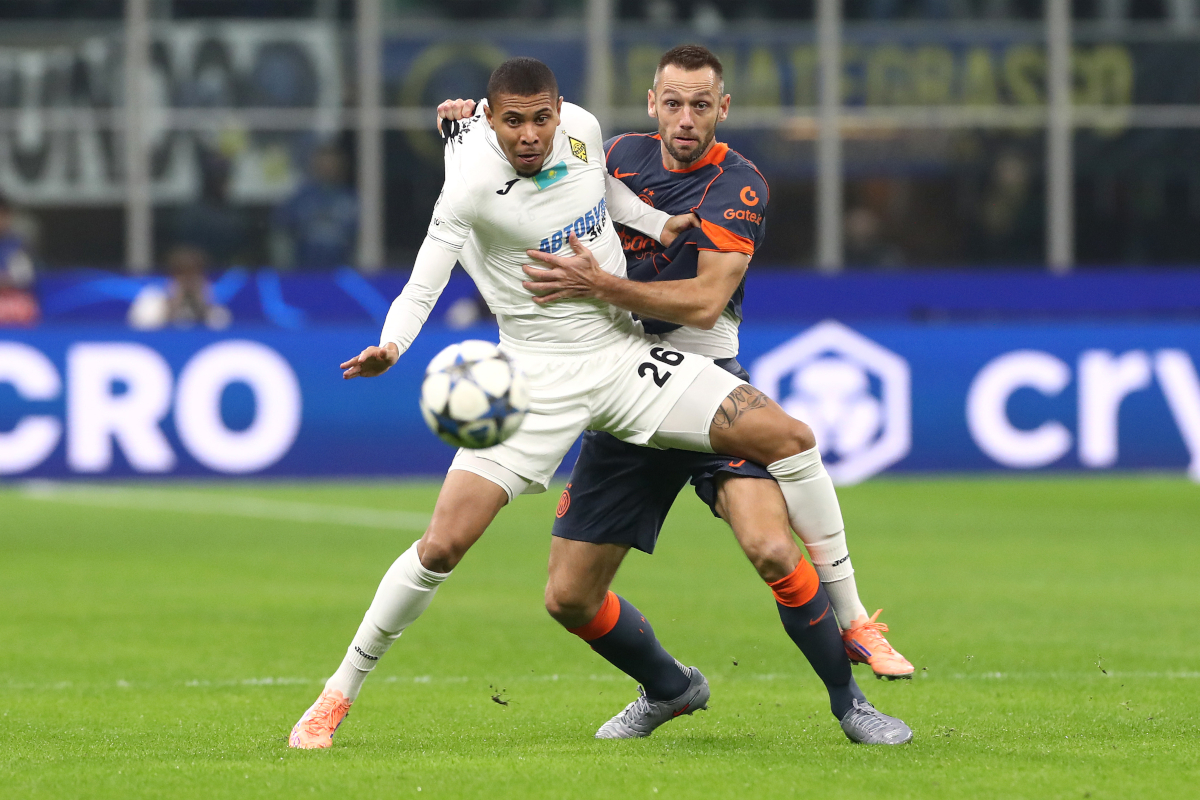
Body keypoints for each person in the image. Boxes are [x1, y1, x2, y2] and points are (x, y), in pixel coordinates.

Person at [288, 57, 911, 750]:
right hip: (533, 379)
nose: (531, 135)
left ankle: (852, 660)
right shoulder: (465, 185)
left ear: (562, 111)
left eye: (541, 118)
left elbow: (602, 195)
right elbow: (423, 281)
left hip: (627, 358)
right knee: (452, 548)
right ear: (490, 121)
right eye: (513, 121)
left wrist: (656, 224)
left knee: (788, 441)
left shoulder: (592, 135)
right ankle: (336, 695)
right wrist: (392, 346)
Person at [271, 143, 359, 269]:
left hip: (342, 270)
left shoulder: (351, 199)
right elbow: (281, 232)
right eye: (323, 164)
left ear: (341, 166)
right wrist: (286, 270)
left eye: (332, 164)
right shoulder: (300, 199)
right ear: (314, 165)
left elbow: (362, 239)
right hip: (305, 271)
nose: (327, 168)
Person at [0, 190, 39, 327]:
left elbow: (24, 277)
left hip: (11, 299)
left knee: (24, 306)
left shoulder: (16, 245)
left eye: (3, 215)